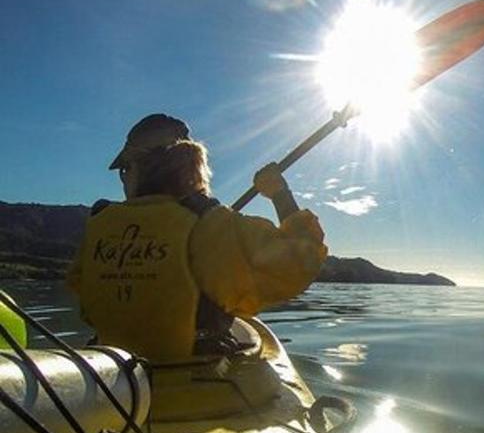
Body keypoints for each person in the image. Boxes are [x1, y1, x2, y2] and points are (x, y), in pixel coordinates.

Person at [67, 113, 328, 361]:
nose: (123, 179)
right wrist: (279, 193)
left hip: (115, 385)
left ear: (139, 168)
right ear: (190, 165)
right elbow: (300, 260)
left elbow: (85, 300)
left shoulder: (99, 223)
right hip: (194, 380)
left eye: (124, 169)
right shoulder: (212, 224)